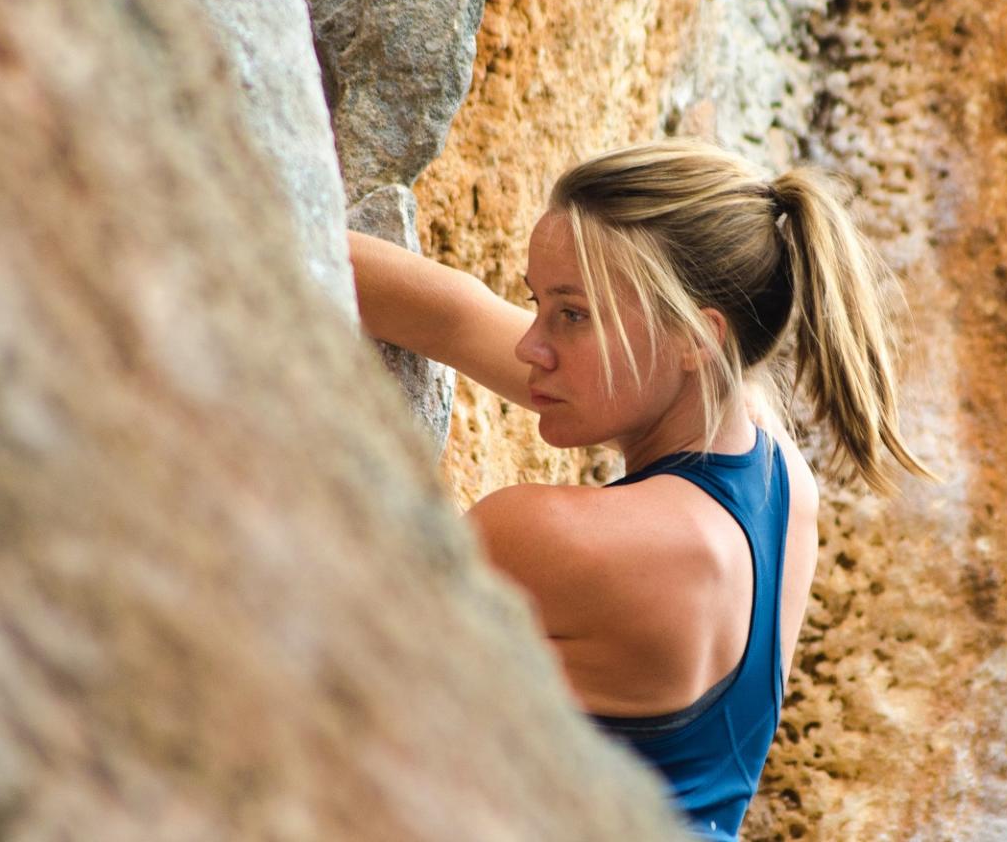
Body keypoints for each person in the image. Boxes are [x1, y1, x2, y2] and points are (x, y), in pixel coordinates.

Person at [346, 138, 932, 840]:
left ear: (695, 339)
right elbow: (458, 319)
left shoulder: (561, 541)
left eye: (571, 314)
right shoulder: (780, 481)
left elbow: (325, 657)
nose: (534, 345)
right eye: (537, 303)